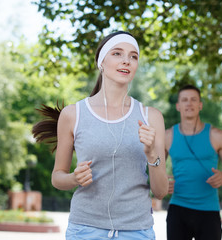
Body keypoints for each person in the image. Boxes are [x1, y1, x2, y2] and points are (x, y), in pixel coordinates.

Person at [32, 31, 168, 239]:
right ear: (101, 62)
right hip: (85, 230)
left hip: (136, 231)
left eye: (133, 56)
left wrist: (152, 156)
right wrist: (74, 178)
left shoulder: (151, 116)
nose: (126, 61)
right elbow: (57, 177)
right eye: (117, 53)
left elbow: (160, 191)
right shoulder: (73, 114)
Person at [165, 84, 222, 240]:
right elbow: (154, 169)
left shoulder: (217, 135)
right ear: (178, 106)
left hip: (209, 210)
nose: (189, 103)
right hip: (178, 208)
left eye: (194, 100)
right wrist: (161, 182)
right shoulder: (167, 136)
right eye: (184, 100)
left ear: (200, 105)